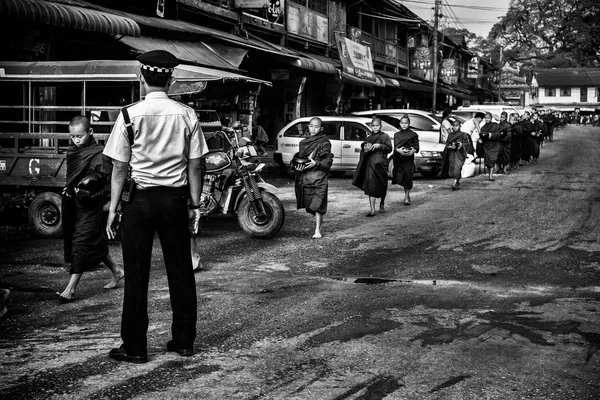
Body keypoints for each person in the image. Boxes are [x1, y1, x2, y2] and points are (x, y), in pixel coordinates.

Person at [103, 50, 207, 363]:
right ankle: (184, 341)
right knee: (181, 271)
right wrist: (195, 202)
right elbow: (197, 164)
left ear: (141, 77)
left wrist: (112, 210)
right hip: (174, 201)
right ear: (172, 78)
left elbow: (119, 169)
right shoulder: (187, 114)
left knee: (136, 275)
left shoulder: (128, 115)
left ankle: (134, 347)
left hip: (139, 202)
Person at [57, 115, 123, 303]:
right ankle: (117, 271)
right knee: (94, 241)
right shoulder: (73, 151)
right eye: (73, 137)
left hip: (91, 206)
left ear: (90, 132)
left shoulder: (99, 154)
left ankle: (70, 289)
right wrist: (71, 188)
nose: (76, 141)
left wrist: (107, 202)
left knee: (81, 242)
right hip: (74, 205)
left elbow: (110, 182)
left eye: (80, 136)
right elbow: (73, 177)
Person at [293, 117, 334, 239]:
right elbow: (301, 159)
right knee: (310, 204)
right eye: (311, 126)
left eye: (316, 127)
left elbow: (328, 161)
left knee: (318, 205)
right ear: (308, 126)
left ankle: (317, 231)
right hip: (307, 178)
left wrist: (316, 163)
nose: (313, 129)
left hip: (320, 178)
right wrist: (298, 167)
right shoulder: (304, 143)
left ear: (321, 128)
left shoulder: (324, 142)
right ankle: (318, 226)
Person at [352, 117, 392, 216]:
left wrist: (379, 146)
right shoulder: (369, 138)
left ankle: (382, 203)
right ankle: (372, 209)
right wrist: (365, 149)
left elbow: (389, 149)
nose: (375, 128)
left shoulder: (384, 136)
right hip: (370, 166)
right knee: (371, 186)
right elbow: (364, 152)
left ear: (381, 126)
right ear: (370, 126)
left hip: (381, 166)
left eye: (377, 126)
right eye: (373, 126)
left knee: (382, 184)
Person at [392, 115, 419, 206]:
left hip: (408, 159)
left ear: (409, 124)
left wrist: (412, 151)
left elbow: (417, 147)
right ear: (399, 124)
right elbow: (395, 147)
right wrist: (399, 150)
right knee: (401, 177)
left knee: (408, 176)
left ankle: (407, 196)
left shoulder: (413, 135)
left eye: (406, 123)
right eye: (402, 123)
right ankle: (406, 193)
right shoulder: (397, 135)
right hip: (399, 159)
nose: (404, 125)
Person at [440, 119, 473, 190]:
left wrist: (461, 145)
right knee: (452, 169)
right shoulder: (450, 135)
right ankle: (457, 181)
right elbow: (447, 144)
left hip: (460, 154)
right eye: (454, 126)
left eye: (456, 126)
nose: (455, 127)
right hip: (452, 154)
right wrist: (449, 146)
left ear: (460, 126)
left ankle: (454, 183)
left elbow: (467, 144)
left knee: (457, 168)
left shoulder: (463, 135)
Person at [479, 112, 501, 181]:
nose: (487, 119)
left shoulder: (495, 125)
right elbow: (481, 135)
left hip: (494, 145)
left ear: (491, 118)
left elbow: (499, 134)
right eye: (486, 118)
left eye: (488, 118)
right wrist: (482, 138)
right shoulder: (483, 127)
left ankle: (491, 175)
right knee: (488, 161)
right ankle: (489, 174)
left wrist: (491, 135)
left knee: (492, 160)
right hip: (486, 146)